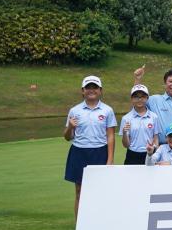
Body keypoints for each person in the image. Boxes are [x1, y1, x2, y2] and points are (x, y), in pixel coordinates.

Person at [63, 75, 116, 217]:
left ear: (100, 90)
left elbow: (110, 136)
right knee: (79, 191)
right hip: (79, 152)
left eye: (95, 87)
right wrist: (70, 127)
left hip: (100, 152)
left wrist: (110, 159)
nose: (91, 90)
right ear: (82, 90)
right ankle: (79, 229)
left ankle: (98, 223)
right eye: (88, 88)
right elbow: (67, 137)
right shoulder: (74, 111)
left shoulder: (107, 110)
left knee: (100, 191)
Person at [119, 84, 158, 165]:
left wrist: (154, 149)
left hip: (149, 153)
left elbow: (156, 138)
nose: (139, 99)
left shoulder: (154, 117)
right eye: (136, 97)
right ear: (131, 99)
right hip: (132, 155)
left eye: (143, 96)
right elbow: (126, 145)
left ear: (147, 98)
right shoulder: (126, 118)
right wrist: (124, 133)